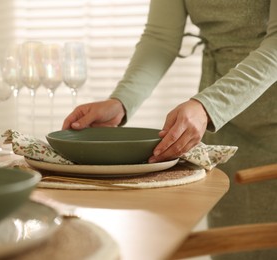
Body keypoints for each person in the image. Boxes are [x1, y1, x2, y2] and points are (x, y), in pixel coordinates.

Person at [62, 1, 277, 259]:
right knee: (233, 248)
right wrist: (121, 102)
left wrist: (209, 106)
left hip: (241, 111)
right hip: (224, 119)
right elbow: (160, 38)